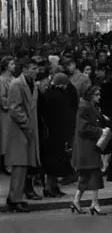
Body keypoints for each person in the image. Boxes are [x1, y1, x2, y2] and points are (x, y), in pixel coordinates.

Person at [4, 58, 40, 213]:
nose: (36, 71)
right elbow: (14, 109)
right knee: (19, 166)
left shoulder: (31, 85)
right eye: (33, 68)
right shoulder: (17, 84)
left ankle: (16, 197)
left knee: (23, 166)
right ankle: (14, 199)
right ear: (25, 69)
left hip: (27, 130)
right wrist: (27, 125)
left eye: (36, 68)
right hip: (20, 130)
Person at [71, 85, 108, 215]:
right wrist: (100, 131)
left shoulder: (87, 106)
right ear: (90, 95)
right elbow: (83, 128)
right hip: (87, 145)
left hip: (87, 144)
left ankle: (76, 201)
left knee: (86, 175)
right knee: (95, 173)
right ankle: (94, 203)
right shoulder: (85, 107)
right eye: (97, 94)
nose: (99, 97)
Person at [39, 73, 75, 198]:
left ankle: (52, 187)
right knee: (55, 162)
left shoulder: (48, 94)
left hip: (50, 133)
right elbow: (65, 115)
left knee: (52, 162)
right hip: (57, 134)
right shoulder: (60, 96)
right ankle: (50, 188)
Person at [0, 56, 15, 175]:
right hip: (5, 113)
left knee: (12, 137)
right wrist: (10, 104)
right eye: (11, 64)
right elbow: (2, 97)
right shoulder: (1, 80)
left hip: (14, 112)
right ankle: (6, 164)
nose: (14, 66)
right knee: (5, 137)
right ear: (6, 66)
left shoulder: (14, 79)